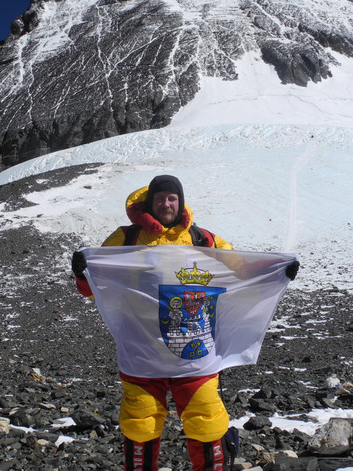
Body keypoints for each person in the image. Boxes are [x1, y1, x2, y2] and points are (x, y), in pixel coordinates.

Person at [72, 174, 240, 471]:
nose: (166, 203)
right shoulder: (126, 238)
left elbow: (241, 267)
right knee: (140, 423)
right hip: (143, 350)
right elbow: (93, 288)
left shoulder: (203, 239)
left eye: (172, 198)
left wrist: (278, 269)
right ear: (150, 202)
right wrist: (82, 273)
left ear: (181, 202)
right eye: (160, 198)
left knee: (207, 421)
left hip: (193, 351)